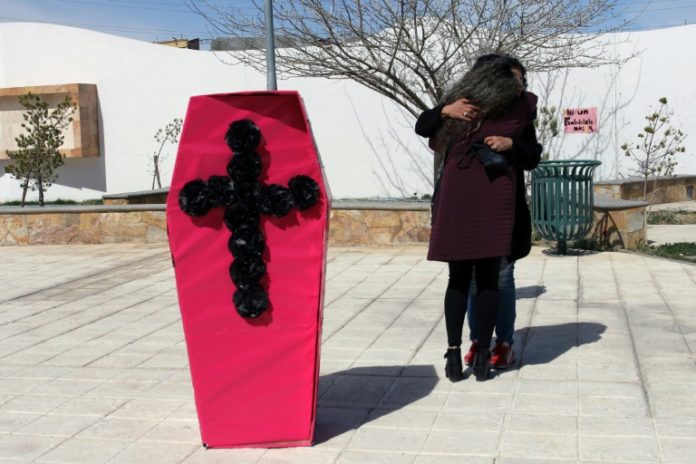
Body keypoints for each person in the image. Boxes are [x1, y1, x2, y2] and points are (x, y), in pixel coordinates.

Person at [415, 55, 542, 381]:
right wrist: (445, 110)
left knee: (498, 278)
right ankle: (469, 350)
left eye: (521, 81)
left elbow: (532, 156)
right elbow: (424, 127)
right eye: (514, 79)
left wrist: (512, 144)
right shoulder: (461, 102)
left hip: (502, 205)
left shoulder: (521, 110)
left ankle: (499, 345)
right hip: (464, 200)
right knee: (466, 280)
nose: (519, 86)